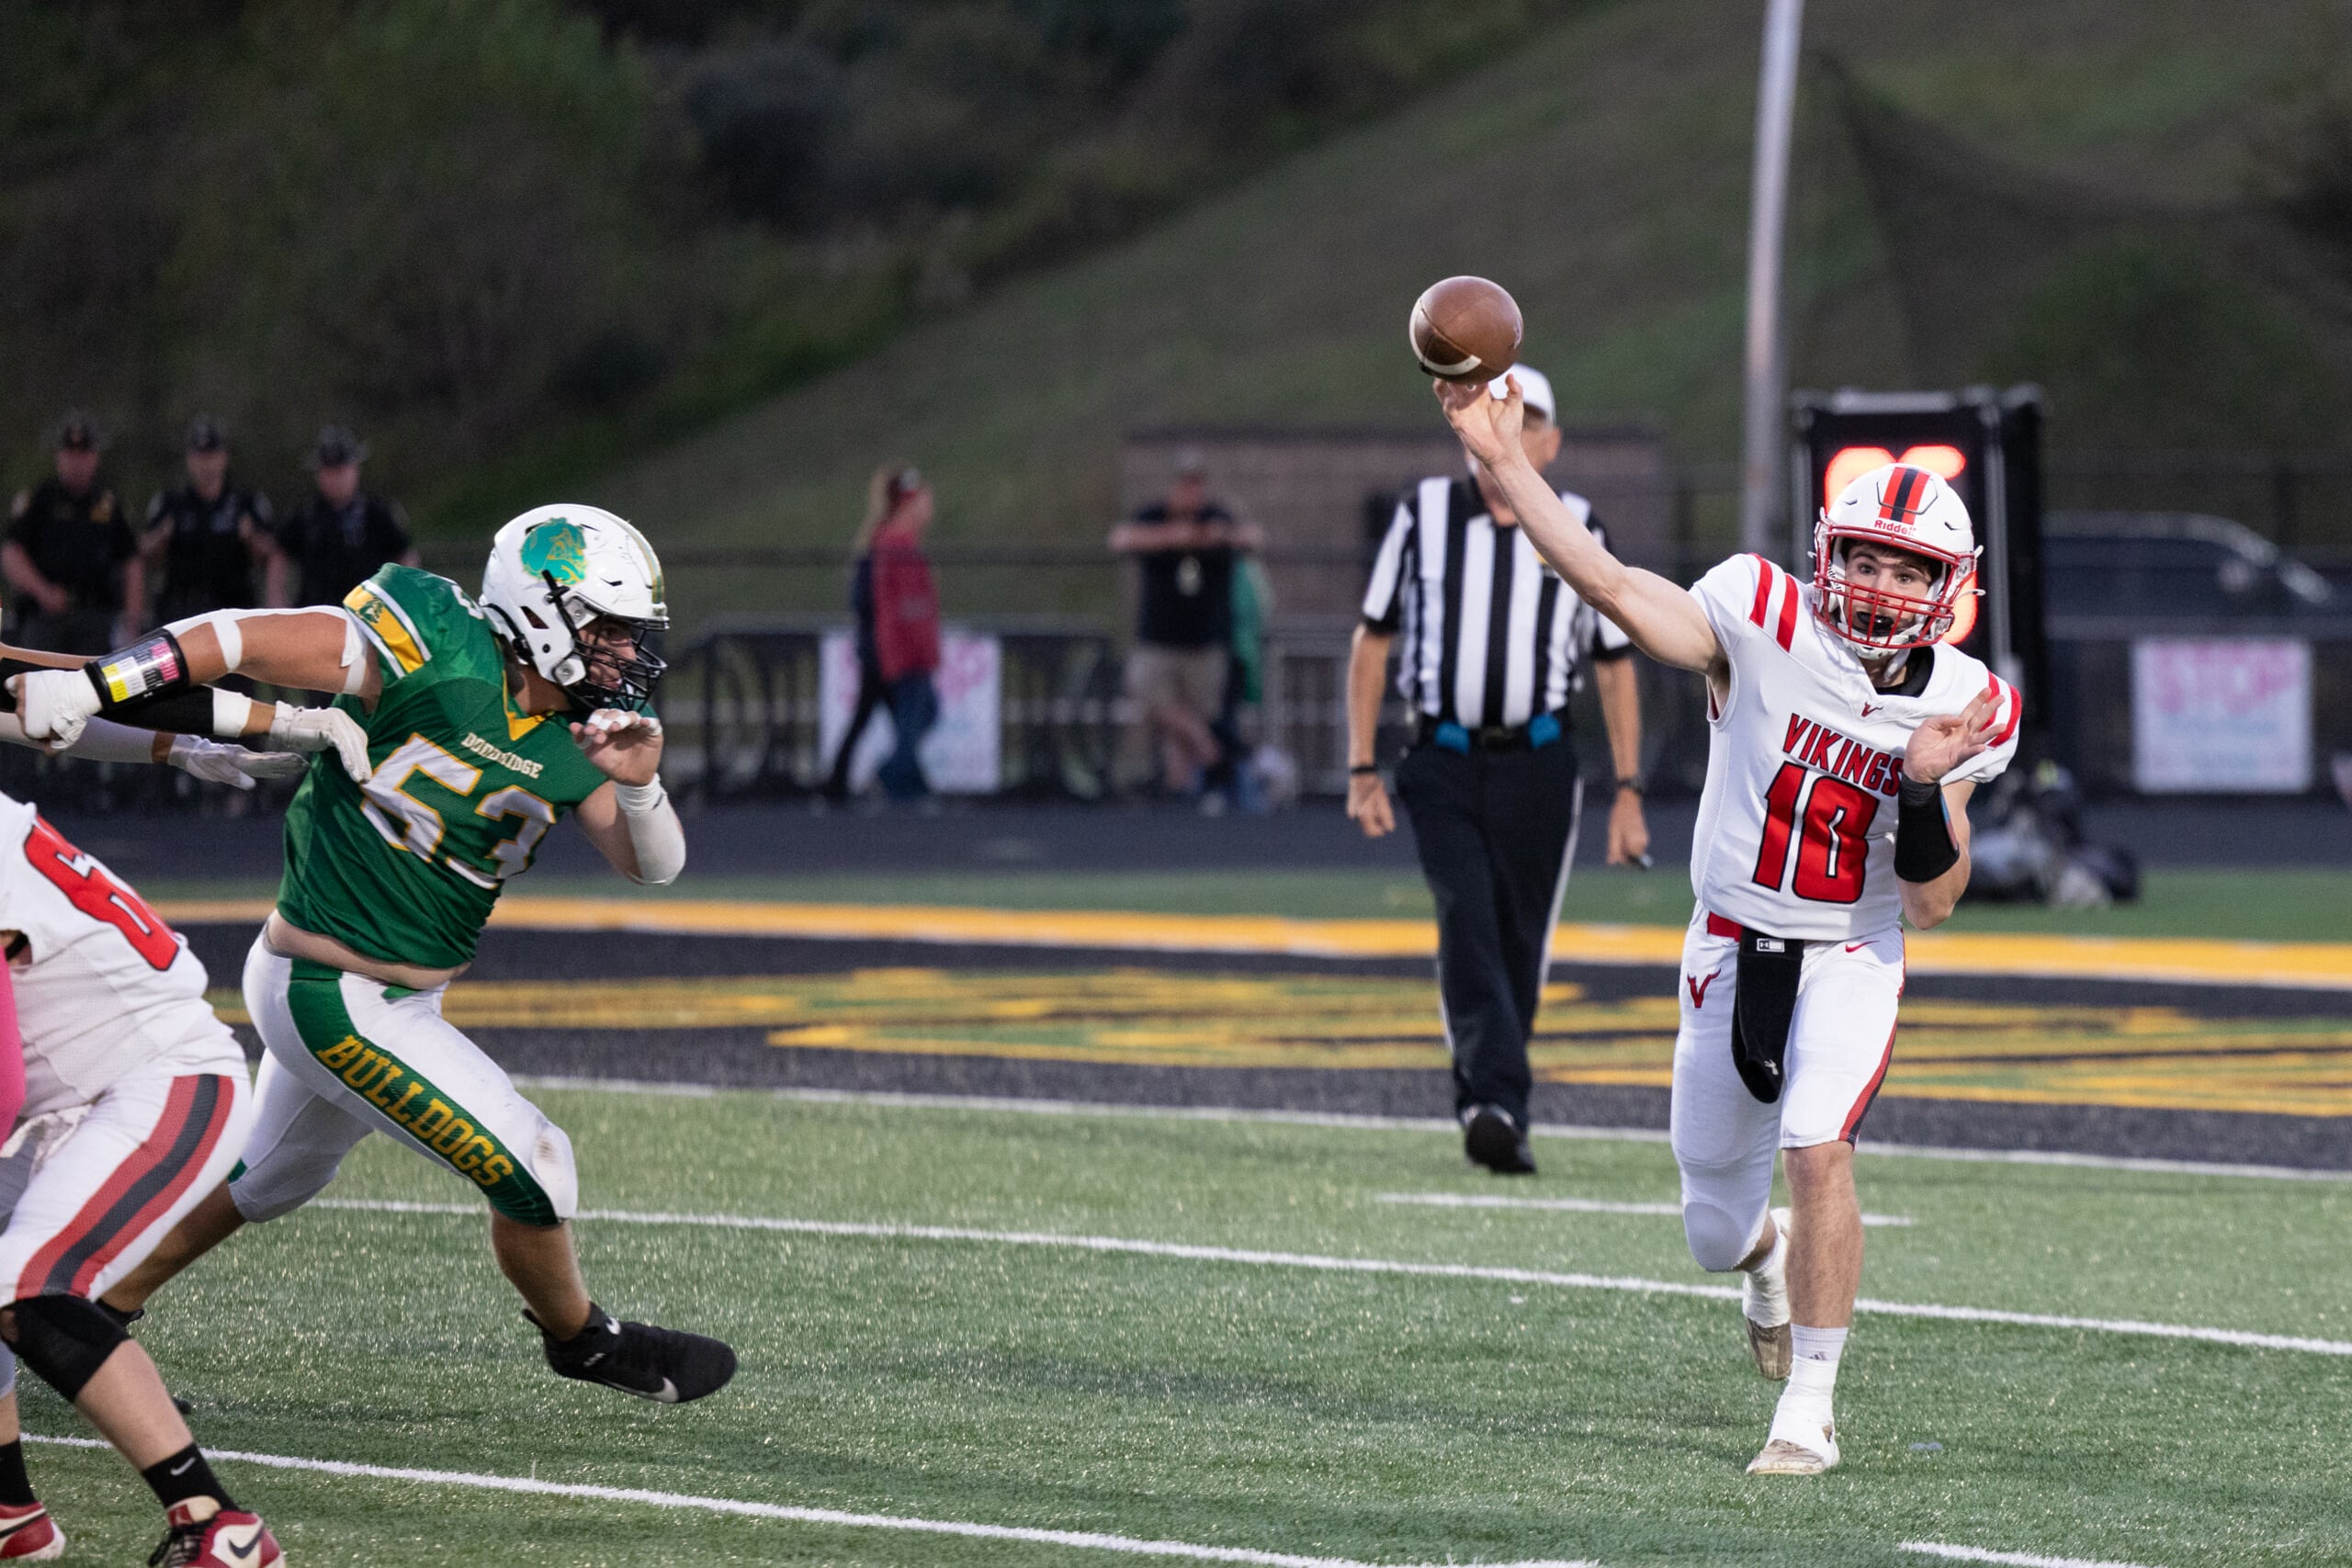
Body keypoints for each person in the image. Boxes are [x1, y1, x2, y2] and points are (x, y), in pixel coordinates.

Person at [14, 503, 738, 1408]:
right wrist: (96, 687)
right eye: (610, 630)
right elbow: (233, 635)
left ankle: (87, 1310)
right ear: (543, 615)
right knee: (536, 1166)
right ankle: (581, 1339)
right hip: (331, 988)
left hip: (397, 998)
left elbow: (652, 864)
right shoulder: (434, 638)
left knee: (271, 1176)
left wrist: (640, 785)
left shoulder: (581, 729)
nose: (627, 655)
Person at [1437, 375, 2020, 1476]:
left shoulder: (1965, 703)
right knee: (1713, 1223)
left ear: (1950, 588)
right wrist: (1506, 461)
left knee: (1817, 1147)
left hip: (1850, 947)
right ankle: (1761, 1265)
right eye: (1862, 557)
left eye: (1906, 569)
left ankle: (1809, 1408)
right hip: (1726, 938)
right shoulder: (1756, 612)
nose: (1879, 584)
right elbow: (1609, 582)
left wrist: (1914, 786)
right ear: (1823, 554)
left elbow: (1935, 905)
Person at [1347, 367, 1650, 1174]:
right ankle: (1493, 1100)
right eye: (1494, 419)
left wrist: (1629, 790)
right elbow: (1372, 638)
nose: (1507, 435)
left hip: (1541, 760)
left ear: (1550, 441)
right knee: (1467, 918)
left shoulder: (1580, 525)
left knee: (1520, 936)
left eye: (1527, 422)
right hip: (1440, 757)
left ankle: (1496, 1097)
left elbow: (1616, 663)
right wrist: (1360, 764)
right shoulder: (1423, 513)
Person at [0, 795, 280, 1565]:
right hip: (82, 1094)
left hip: (158, 1080)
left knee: (24, 1288)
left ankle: (218, 1524)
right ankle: (9, 1509)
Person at [1110, 451, 1262, 796]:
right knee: (1150, 695)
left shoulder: (1215, 518)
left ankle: (1183, 787)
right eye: (1184, 484)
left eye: (1196, 485)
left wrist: (1214, 537)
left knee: (1200, 712)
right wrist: (1172, 537)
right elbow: (1120, 538)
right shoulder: (1154, 516)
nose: (1190, 493)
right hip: (1158, 640)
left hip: (1203, 641)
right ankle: (1205, 750)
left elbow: (1253, 538)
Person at [823, 467, 941, 804]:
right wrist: (905, 652)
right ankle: (894, 776)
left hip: (891, 650)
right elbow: (896, 608)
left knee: (904, 719)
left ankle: (850, 784)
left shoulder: (893, 544)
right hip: (892, 653)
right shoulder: (892, 546)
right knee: (914, 717)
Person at [5, 413, 140, 656]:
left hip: (96, 618)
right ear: (59, 456)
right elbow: (11, 554)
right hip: (45, 619)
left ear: (95, 457)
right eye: (70, 454)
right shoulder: (40, 499)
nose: (77, 462)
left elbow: (131, 561)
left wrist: (132, 621)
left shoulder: (109, 504)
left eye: (84, 454)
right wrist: (43, 591)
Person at [139, 416, 275, 626]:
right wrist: (161, 537)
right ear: (189, 459)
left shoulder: (247, 503)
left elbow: (271, 556)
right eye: (199, 456)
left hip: (234, 613)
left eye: (211, 455)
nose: (206, 464)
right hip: (179, 614)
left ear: (224, 457)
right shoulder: (171, 503)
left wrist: (250, 538)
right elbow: (143, 555)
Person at [266, 424, 417, 608]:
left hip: (368, 616)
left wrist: (401, 600)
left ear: (355, 468)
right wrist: (277, 603)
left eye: (341, 470)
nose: (335, 478)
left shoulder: (377, 512)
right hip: (316, 615)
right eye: (329, 471)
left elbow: (406, 554)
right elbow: (279, 554)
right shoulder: (305, 515)